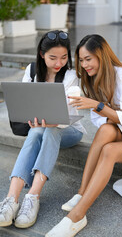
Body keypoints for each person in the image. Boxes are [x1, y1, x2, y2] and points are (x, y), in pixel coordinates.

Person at [45, 34, 122, 237]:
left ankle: (77, 215)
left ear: (101, 55)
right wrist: (103, 112)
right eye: (81, 60)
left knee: (108, 150)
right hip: (119, 131)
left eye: (88, 59)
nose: (84, 65)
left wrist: (98, 106)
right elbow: (101, 123)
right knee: (106, 130)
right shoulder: (93, 79)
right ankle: (81, 193)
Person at [0, 30, 86, 229]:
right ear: (41, 54)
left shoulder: (71, 76)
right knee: (38, 131)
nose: (59, 63)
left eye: (64, 57)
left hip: (70, 130)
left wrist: (53, 122)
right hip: (40, 129)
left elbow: (68, 118)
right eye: (53, 57)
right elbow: (24, 104)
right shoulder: (31, 71)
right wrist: (30, 118)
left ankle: (32, 197)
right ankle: (11, 199)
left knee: (52, 130)